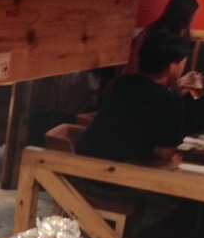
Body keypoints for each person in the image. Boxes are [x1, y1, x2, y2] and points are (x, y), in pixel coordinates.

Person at [77, 32, 191, 163]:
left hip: (84, 160)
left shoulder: (124, 82)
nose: (183, 70)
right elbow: (166, 153)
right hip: (115, 170)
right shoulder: (170, 100)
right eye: (182, 65)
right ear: (171, 67)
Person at [124, 0, 198, 75]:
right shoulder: (151, 34)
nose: (192, 19)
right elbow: (133, 66)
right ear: (183, 15)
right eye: (192, 16)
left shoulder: (182, 34)